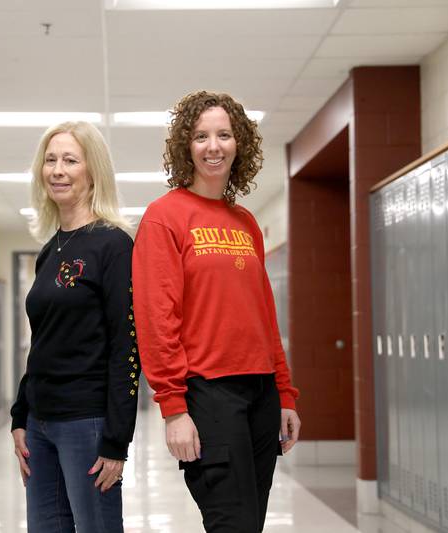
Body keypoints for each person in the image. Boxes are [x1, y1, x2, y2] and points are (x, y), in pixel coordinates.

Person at [131, 91, 301, 532]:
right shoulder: (164, 217)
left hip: (260, 393)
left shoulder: (245, 222)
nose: (213, 146)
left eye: (224, 135)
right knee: (232, 523)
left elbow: (264, 314)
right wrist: (173, 408)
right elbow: (156, 319)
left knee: (251, 523)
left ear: (238, 143)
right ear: (185, 146)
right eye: (201, 135)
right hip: (209, 394)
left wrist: (284, 392)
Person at [10, 121, 140, 533]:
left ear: (92, 171)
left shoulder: (113, 245)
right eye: (50, 161)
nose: (58, 170)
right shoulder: (50, 250)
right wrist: (20, 413)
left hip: (88, 422)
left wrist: (117, 439)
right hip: (40, 425)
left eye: (70, 160)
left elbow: (127, 346)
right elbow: (44, 339)